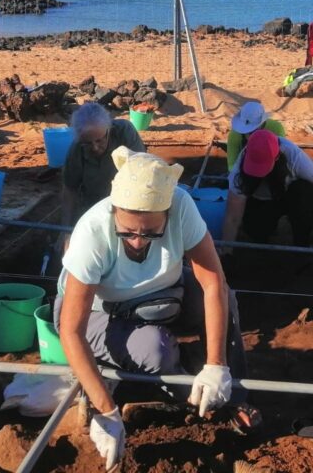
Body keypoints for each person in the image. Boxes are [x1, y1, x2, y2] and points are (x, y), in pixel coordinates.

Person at [56, 147, 254, 470]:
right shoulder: (93, 231)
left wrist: (217, 364)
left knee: (226, 301)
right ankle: (177, 394)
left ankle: (232, 395)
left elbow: (213, 283)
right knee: (156, 350)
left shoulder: (182, 207)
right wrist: (106, 411)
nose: (137, 241)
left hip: (160, 294)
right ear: (115, 211)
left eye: (150, 232)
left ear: (167, 212)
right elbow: (70, 330)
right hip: (99, 311)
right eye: (128, 232)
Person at [222, 129, 313, 248]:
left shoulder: (295, 157)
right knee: (256, 232)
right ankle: (263, 235)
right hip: (260, 201)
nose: (259, 172)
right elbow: (232, 217)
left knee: (304, 191)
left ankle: (302, 244)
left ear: (277, 157)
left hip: (289, 196)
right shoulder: (240, 169)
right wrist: (226, 251)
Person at [62, 102, 145, 229]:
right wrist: (65, 230)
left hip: (129, 204)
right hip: (94, 207)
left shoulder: (124, 132)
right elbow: (69, 189)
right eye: (88, 143)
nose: (95, 148)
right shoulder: (76, 149)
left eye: (100, 140)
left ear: (108, 129)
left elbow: (142, 171)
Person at [226, 101, 287, 169]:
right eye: (249, 132)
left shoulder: (276, 128)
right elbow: (232, 165)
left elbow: (281, 157)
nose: (250, 134)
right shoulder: (235, 135)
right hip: (245, 170)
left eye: (252, 130)